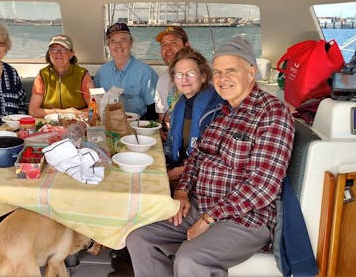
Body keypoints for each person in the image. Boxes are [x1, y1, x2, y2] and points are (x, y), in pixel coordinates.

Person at [126, 35, 295, 277]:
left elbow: (263, 185)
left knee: (191, 258)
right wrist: (182, 191)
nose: (222, 79)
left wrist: (209, 218)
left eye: (230, 70)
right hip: (201, 204)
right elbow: (196, 159)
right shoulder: (224, 113)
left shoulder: (271, 113)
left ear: (251, 71)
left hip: (245, 217)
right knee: (139, 237)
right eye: (217, 72)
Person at [165, 47, 223, 187]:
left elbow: (220, 158)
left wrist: (185, 170)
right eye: (179, 74)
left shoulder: (217, 108)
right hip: (178, 168)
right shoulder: (180, 105)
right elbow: (171, 144)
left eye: (190, 73)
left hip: (202, 180)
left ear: (203, 76)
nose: (184, 79)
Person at [94, 23, 158, 120]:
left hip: (138, 124)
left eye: (123, 40)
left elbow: (154, 109)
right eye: (113, 41)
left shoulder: (145, 72)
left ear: (130, 43)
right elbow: (95, 101)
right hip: (109, 124)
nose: (118, 45)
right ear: (109, 46)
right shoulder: (102, 72)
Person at [28, 34, 94, 118]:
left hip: (77, 124)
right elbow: (33, 111)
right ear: (49, 53)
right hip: (49, 125)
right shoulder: (42, 75)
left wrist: (74, 115)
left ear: (71, 54)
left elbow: (94, 109)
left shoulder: (83, 75)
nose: (58, 53)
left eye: (63, 50)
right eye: (54, 49)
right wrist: (64, 113)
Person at [154, 26, 190, 126]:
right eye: (163, 45)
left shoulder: (199, 78)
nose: (168, 49)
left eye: (173, 43)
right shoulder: (162, 80)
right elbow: (161, 117)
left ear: (187, 46)